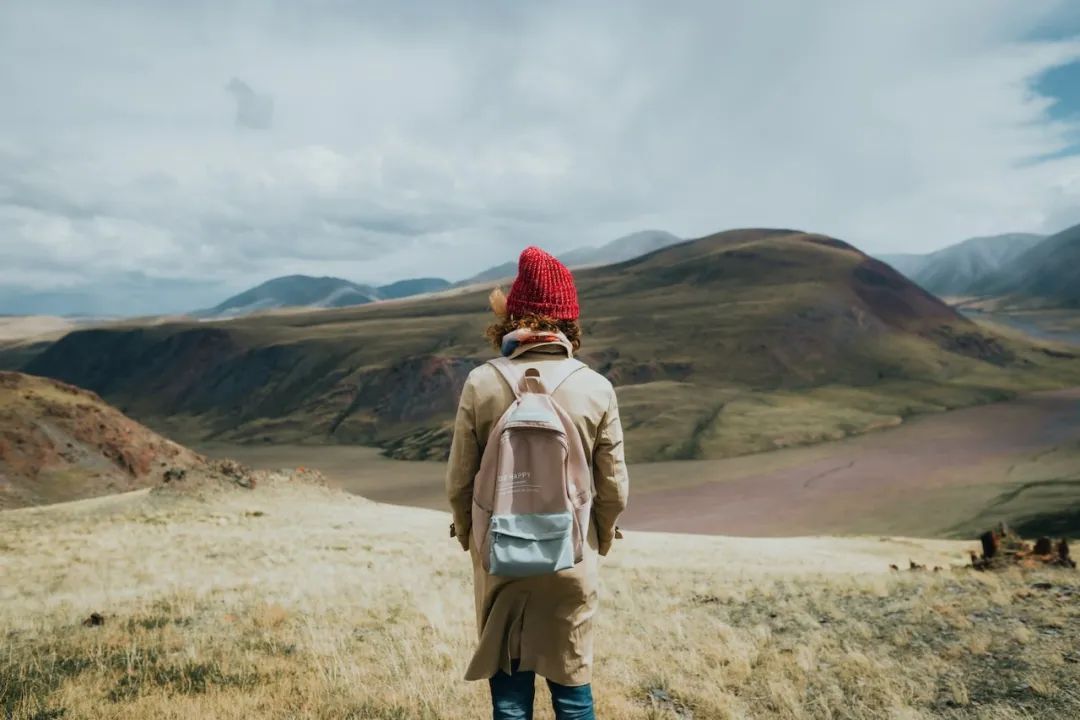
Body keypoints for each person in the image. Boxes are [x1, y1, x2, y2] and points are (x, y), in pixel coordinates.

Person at [446, 246, 630, 720]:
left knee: (510, 692)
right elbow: (613, 484)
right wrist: (599, 538)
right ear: (568, 322)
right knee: (572, 686)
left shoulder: (481, 382)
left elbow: (459, 480)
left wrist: (471, 538)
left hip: (501, 553)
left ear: (510, 317)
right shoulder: (595, 386)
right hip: (571, 552)